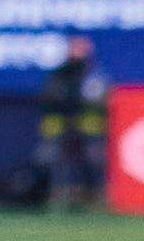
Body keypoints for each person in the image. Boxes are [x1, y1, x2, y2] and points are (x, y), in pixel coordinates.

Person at [34, 36, 109, 210]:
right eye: (75, 48)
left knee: (93, 160)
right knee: (56, 162)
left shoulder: (93, 74)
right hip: (60, 125)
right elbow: (50, 98)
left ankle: (95, 198)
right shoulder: (58, 75)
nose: (78, 53)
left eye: (81, 49)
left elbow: (99, 100)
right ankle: (58, 197)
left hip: (88, 126)